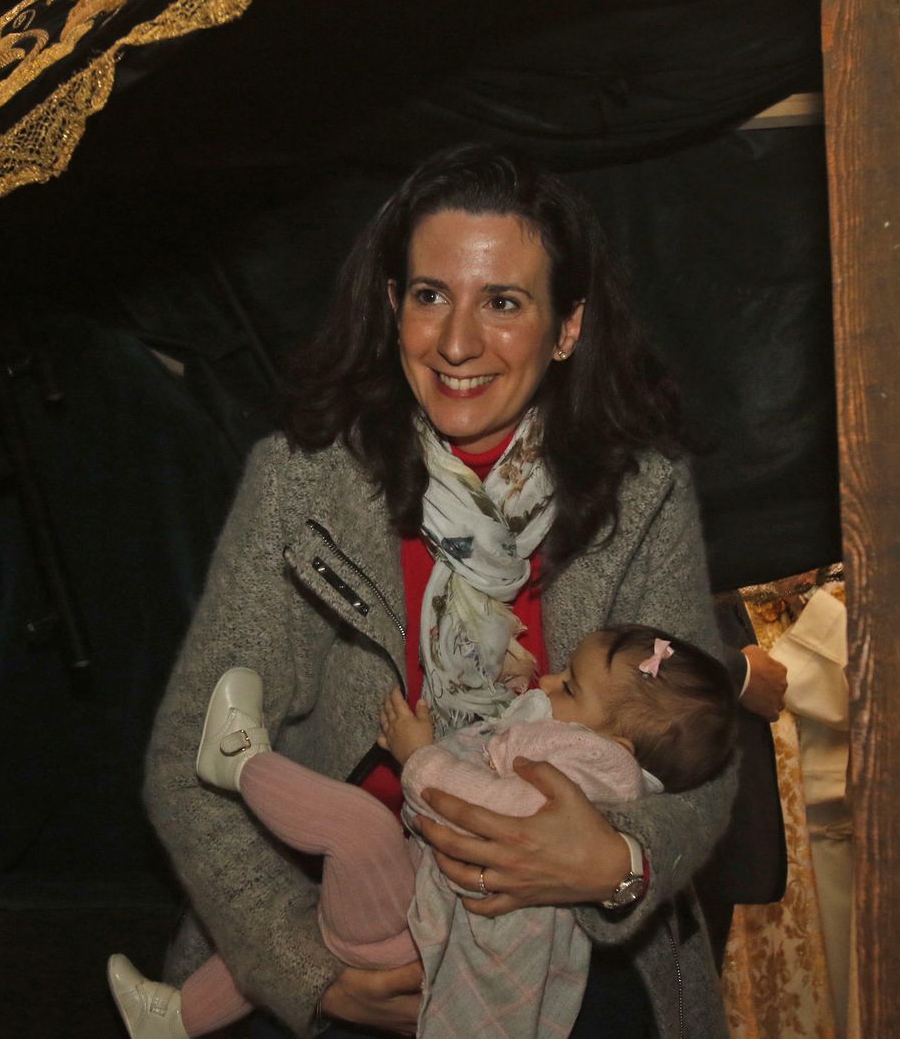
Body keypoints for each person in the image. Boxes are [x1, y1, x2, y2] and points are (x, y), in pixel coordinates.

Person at [142, 143, 782, 1039]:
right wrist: (311, 972)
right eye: (430, 295)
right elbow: (191, 756)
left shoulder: (642, 494)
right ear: (391, 306)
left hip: (565, 939)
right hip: (347, 919)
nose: (455, 343)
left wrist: (616, 863)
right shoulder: (305, 483)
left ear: (568, 328)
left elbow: (696, 758)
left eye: (504, 303)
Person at [112, 626, 736, 1039]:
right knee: (293, 931)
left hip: (413, 937)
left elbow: (497, 811)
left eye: (568, 687)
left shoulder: (594, 767)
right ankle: (170, 1019)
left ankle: (239, 760)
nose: (547, 683)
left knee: (358, 827)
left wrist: (421, 758)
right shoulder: (590, 752)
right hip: (419, 919)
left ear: (615, 745)